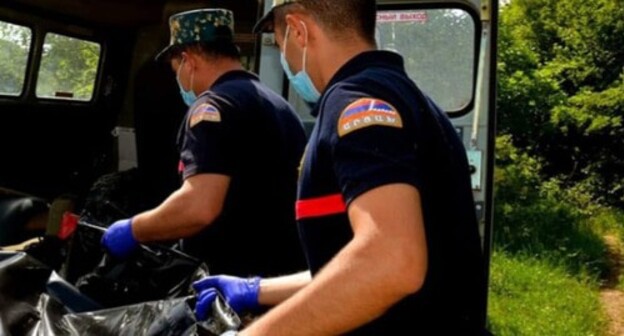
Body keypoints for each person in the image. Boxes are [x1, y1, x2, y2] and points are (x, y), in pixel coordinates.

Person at [192, 0, 488, 335]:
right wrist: (256, 290)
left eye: (279, 41)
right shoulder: (401, 95)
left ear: (299, 30)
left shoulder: (353, 102)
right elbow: (353, 268)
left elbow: (391, 262)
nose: (285, 58)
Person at [101, 8, 308, 278]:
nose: (178, 80)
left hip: (229, 281)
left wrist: (132, 229)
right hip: (277, 274)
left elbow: (198, 207)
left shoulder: (211, 107)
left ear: (188, 60)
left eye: (175, 69)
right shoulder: (276, 104)